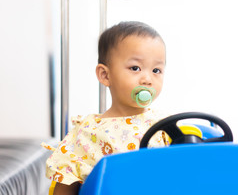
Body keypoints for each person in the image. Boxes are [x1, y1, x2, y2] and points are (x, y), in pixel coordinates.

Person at [43, 21, 169, 195]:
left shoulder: (165, 126)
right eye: (135, 68)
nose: (147, 79)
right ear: (105, 75)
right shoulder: (87, 131)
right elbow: (66, 183)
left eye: (156, 70)